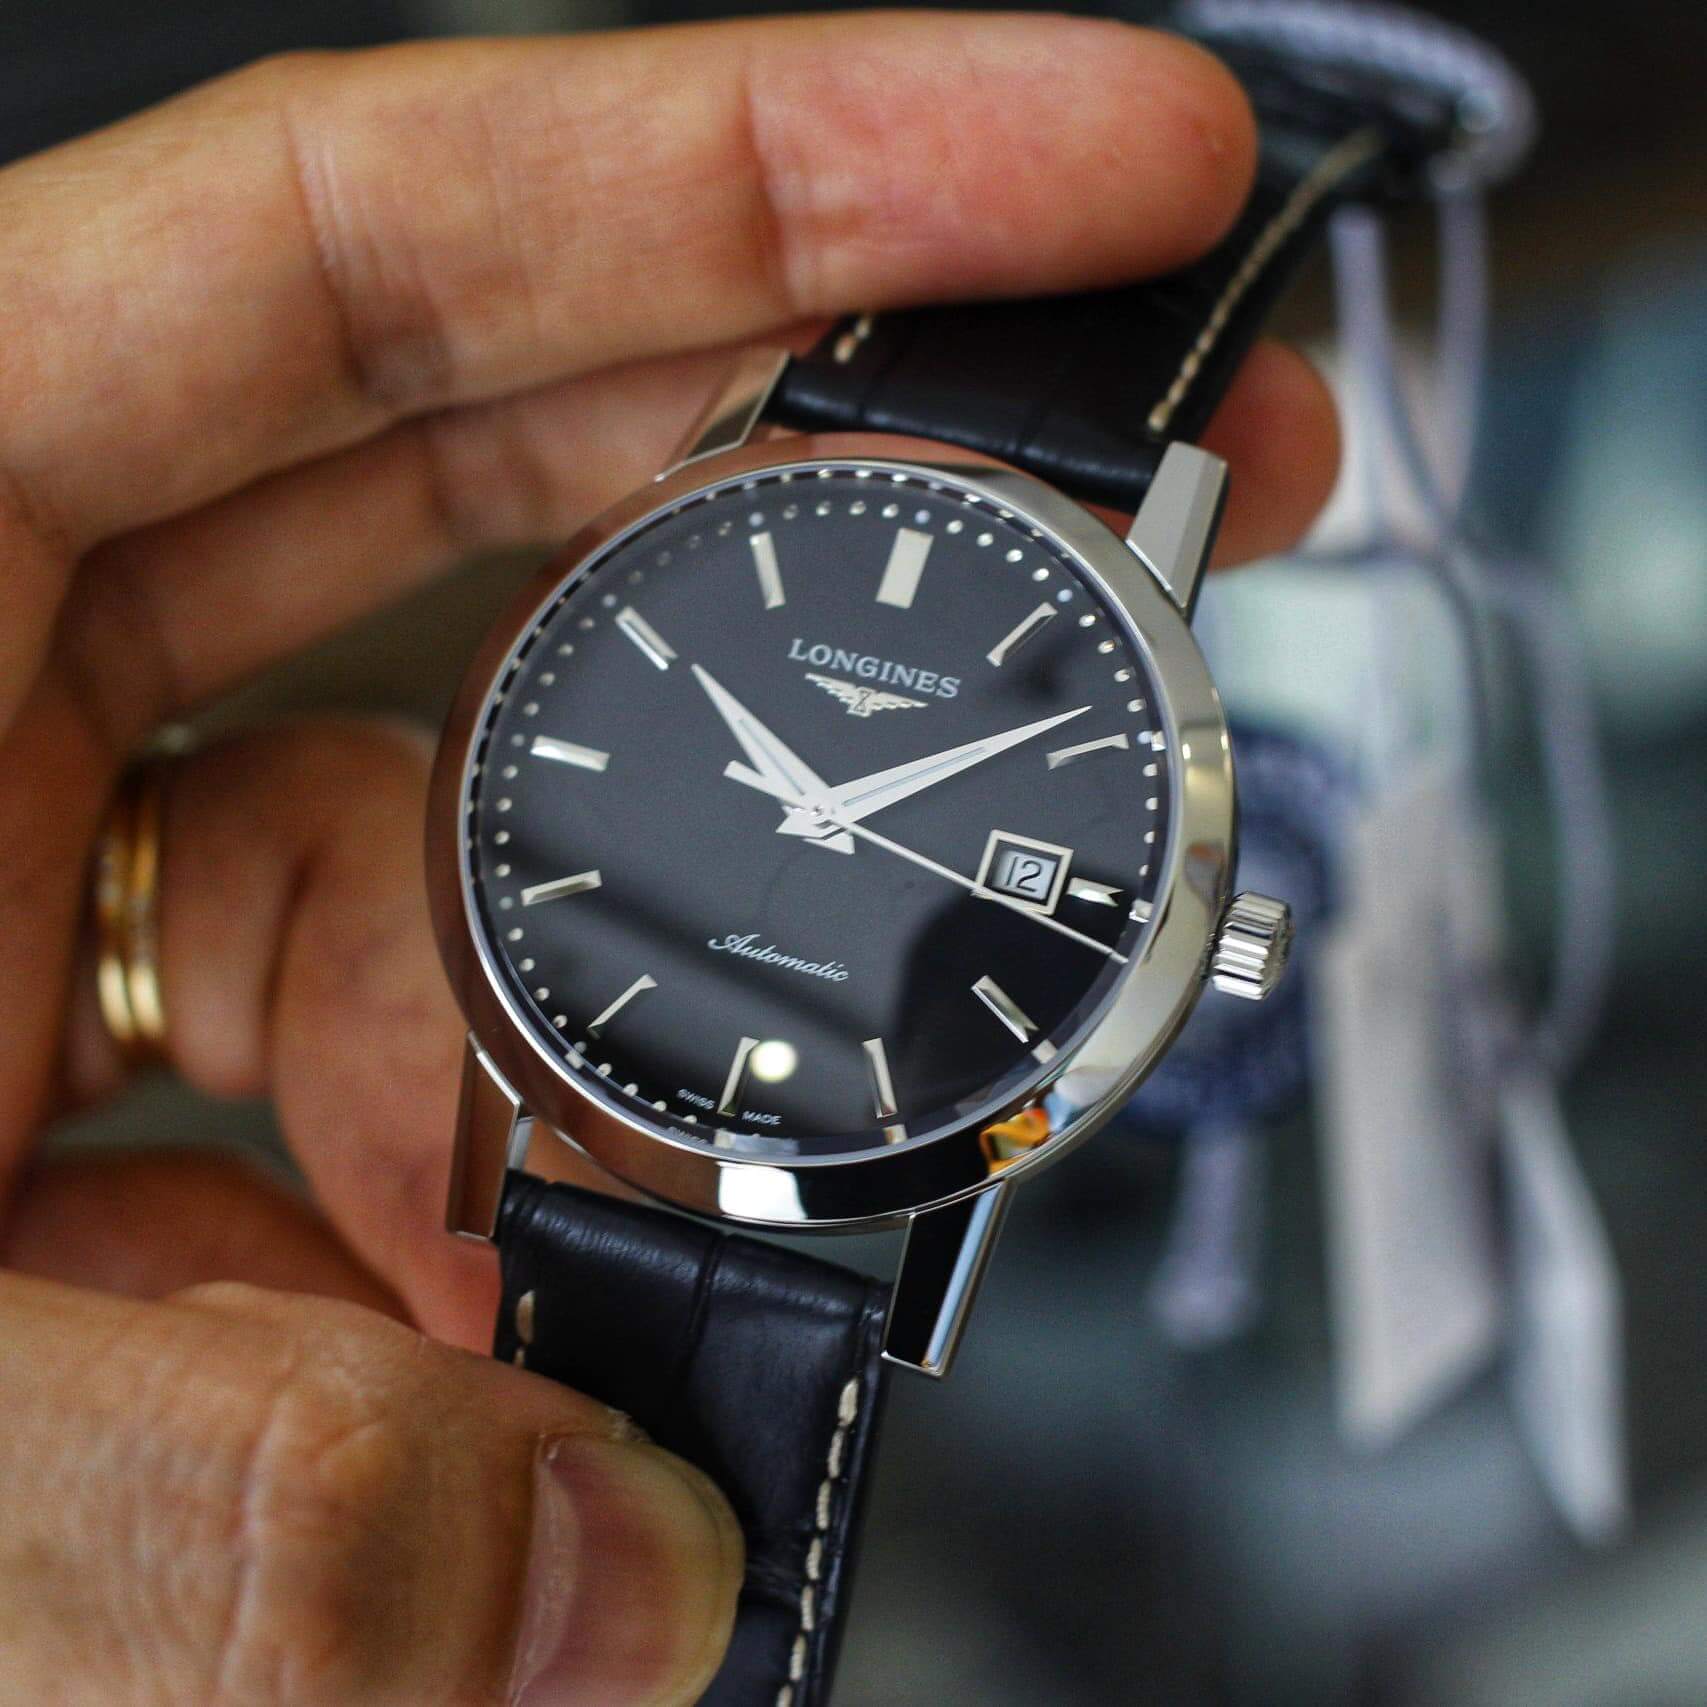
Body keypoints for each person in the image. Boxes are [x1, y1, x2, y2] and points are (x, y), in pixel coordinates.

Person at [0, 13, 1339, 1704]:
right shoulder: (709, 512)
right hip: (610, 1041)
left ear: (1208, 933)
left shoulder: (1074, 639)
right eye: (806, 805)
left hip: (816, 1076)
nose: (817, 823)